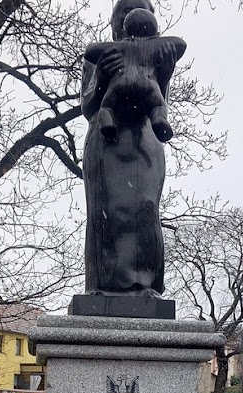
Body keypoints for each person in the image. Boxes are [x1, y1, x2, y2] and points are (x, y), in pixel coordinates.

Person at [81, 0, 182, 296]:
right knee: (105, 211)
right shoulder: (100, 56)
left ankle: (144, 284)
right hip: (107, 138)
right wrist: (100, 78)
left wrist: (165, 73)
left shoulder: (153, 54)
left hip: (144, 141)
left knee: (146, 208)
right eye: (122, 11)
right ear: (114, 21)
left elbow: (158, 100)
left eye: (138, 10)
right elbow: (88, 107)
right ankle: (102, 285)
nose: (128, 17)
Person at [84, 6, 186, 143]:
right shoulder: (105, 59)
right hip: (105, 144)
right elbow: (87, 108)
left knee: (107, 107)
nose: (133, 13)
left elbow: (162, 100)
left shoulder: (157, 57)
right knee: (157, 108)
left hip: (146, 139)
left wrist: (164, 76)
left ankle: (107, 116)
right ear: (113, 21)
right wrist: (101, 81)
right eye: (126, 10)